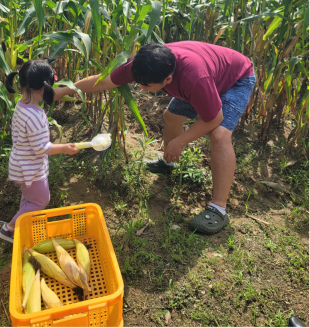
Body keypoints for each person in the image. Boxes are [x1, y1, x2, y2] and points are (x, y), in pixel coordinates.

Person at [55, 42, 255, 235]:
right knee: (171, 117)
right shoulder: (144, 64)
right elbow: (103, 81)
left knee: (219, 134)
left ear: (168, 80)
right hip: (208, 79)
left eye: (146, 86)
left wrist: (181, 141)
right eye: (138, 83)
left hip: (235, 80)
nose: (140, 88)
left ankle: (218, 209)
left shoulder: (194, 80)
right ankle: (168, 165)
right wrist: (60, 91)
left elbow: (214, 118)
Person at [0, 59, 80, 243]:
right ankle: (10, 228)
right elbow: (42, 148)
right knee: (40, 200)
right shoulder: (35, 116)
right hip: (30, 169)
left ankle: (23, 223)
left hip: (21, 164)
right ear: (43, 88)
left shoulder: (21, 104)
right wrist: (65, 148)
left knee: (29, 199)